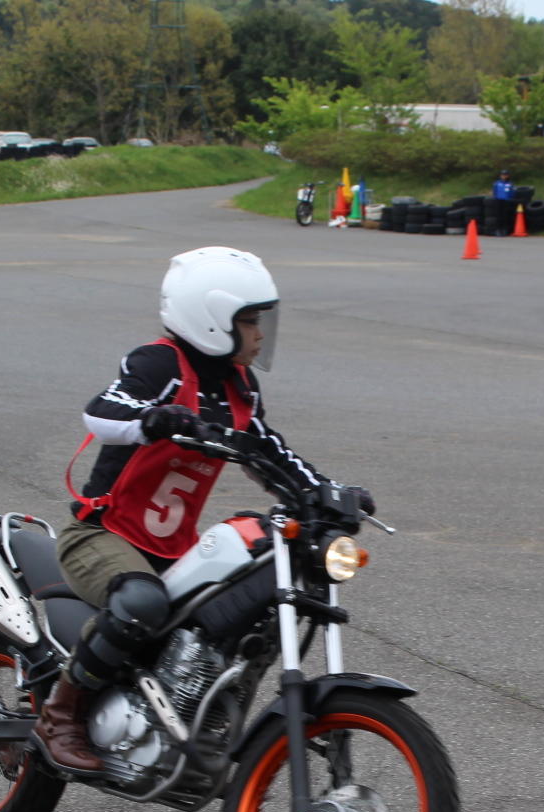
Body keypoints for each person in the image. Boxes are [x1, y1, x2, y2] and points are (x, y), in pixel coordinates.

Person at [34, 246, 370, 776]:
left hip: (171, 548)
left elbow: (267, 451)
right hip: (103, 534)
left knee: (240, 607)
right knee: (141, 602)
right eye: (250, 320)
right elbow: (102, 411)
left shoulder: (240, 389)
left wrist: (328, 492)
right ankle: (61, 714)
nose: (260, 333)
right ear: (212, 319)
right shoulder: (161, 364)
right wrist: (156, 419)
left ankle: (194, 717)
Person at [490, 168, 516, 236]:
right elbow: (494, 192)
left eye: (505, 175)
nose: (504, 176)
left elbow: (512, 192)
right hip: (498, 200)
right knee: (499, 215)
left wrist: (510, 198)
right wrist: (495, 197)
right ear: (500, 176)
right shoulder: (497, 183)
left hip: (506, 200)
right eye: (503, 175)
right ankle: (498, 230)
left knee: (505, 216)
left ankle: (504, 230)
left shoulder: (510, 184)